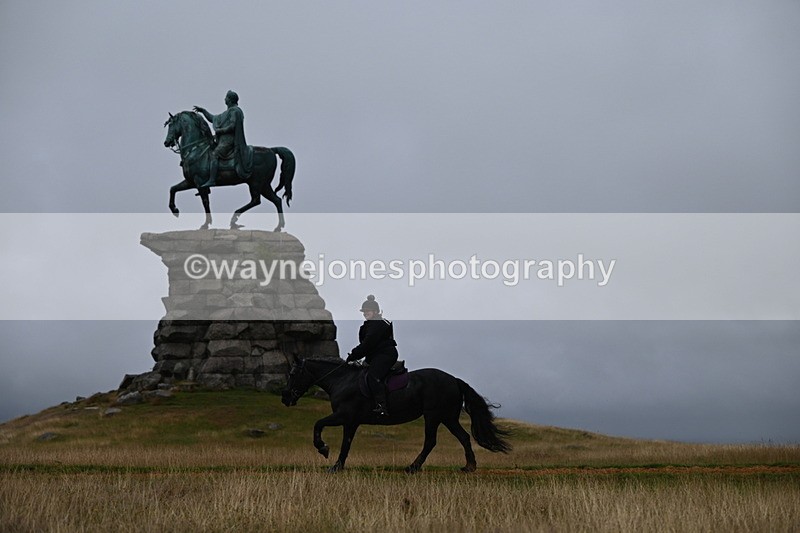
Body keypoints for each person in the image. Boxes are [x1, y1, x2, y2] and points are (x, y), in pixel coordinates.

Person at [346, 295, 398, 416]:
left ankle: (382, 406)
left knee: (373, 377)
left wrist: (353, 355)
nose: (365, 313)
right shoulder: (368, 325)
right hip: (375, 356)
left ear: (375, 311)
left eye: (367, 311)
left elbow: (367, 344)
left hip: (385, 355)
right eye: (364, 311)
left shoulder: (378, 324)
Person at [193, 90, 250, 189]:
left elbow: (232, 126)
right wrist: (203, 111)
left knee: (214, 154)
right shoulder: (227, 112)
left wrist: (220, 131)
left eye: (226, 98)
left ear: (230, 100)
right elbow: (213, 118)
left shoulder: (235, 111)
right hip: (222, 141)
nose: (225, 99)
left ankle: (212, 180)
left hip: (229, 141)